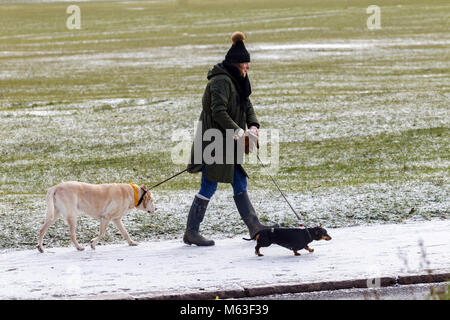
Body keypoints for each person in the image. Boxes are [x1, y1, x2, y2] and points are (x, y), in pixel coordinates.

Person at [184, 31, 277, 246]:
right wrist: (239, 132)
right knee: (209, 185)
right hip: (214, 142)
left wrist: (253, 126)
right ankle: (191, 232)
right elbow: (218, 112)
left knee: (239, 180)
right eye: (245, 64)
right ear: (236, 64)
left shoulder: (239, 80)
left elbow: (247, 105)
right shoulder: (220, 82)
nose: (248, 67)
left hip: (230, 142)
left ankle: (255, 227)